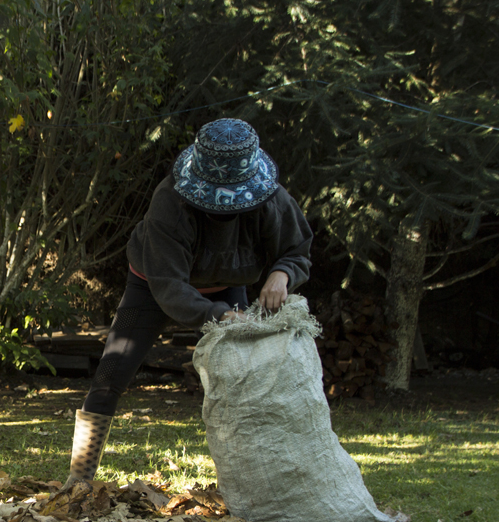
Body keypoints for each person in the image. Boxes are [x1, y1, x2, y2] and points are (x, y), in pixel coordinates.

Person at [64, 117, 313, 488]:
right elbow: (169, 288)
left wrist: (283, 273)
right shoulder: (170, 201)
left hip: (229, 288)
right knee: (110, 376)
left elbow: (298, 249)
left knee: (241, 385)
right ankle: (78, 480)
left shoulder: (272, 199)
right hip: (153, 286)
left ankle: (250, 486)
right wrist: (220, 316)